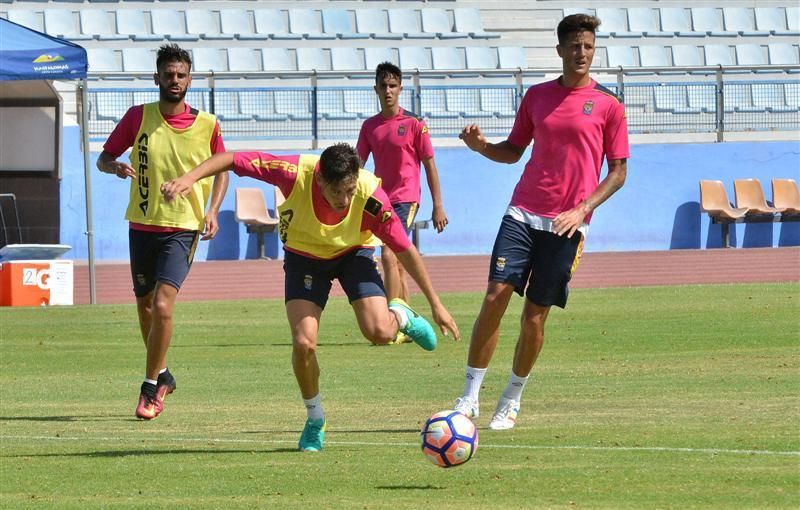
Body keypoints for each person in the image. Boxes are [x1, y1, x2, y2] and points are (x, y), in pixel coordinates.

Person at [161, 143, 460, 451]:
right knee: (304, 344)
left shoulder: (371, 198)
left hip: (353, 252)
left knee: (380, 332)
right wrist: (189, 178)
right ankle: (315, 419)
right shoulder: (293, 173)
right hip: (304, 257)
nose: (344, 200)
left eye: (350, 190)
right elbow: (230, 158)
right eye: (337, 192)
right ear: (319, 180)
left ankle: (401, 315)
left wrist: (436, 304)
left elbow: (404, 250)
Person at [452, 14, 629, 430]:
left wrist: (583, 208)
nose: (581, 53)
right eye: (574, 46)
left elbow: (619, 172)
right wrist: (481, 148)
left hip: (568, 225)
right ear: (560, 50)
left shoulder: (609, 105)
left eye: (588, 46)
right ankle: (469, 395)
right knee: (495, 296)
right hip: (522, 211)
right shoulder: (536, 96)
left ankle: (511, 397)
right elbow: (513, 150)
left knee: (534, 315)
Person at [96, 44, 229, 421]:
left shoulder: (208, 124)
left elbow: (223, 168)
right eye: (168, 75)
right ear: (157, 78)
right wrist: (116, 167)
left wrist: (213, 210)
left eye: (181, 75)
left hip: (182, 228)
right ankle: (165, 374)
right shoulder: (138, 117)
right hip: (141, 224)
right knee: (144, 307)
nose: (175, 80)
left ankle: (150, 387)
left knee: (162, 305)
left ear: (190, 79)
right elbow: (103, 158)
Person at [357, 62, 448, 344]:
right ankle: (409, 323)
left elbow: (430, 166)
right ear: (376, 89)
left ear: (400, 89)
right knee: (395, 264)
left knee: (388, 255)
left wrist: (438, 205)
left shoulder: (414, 124)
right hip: (381, 200)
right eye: (383, 86)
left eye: (393, 86)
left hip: (407, 199)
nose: (388, 91)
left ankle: (391, 322)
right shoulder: (370, 126)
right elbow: (359, 165)